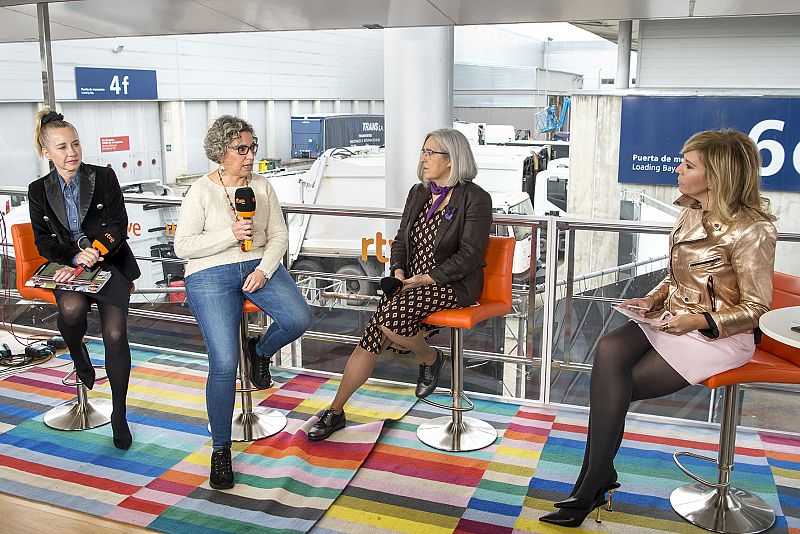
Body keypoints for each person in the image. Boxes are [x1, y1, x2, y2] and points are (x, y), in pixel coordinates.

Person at [539, 128, 778, 528]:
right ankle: (596, 479)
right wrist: (650, 301)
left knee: (619, 387)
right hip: (673, 318)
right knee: (609, 350)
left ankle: (594, 481)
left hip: (718, 335)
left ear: (717, 173)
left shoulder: (752, 229)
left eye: (689, 164)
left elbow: (757, 309)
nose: (678, 169)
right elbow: (675, 276)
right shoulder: (690, 210)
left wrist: (699, 321)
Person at [308, 128, 493, 441]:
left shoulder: (475, 199)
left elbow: (470, 256)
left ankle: (429, 358)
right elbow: (401, 240)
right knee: (373, 334)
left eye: (430, 152)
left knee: (387, 321)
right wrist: (396, 270)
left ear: (452, 160)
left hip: (450, 284)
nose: (423, 158)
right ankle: (336, 411)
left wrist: (422, 279)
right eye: (423, 151)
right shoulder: (419, 193)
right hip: (410, 283)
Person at [174, 115, 312, 490]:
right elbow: (183, 246)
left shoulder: (263, 186)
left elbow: (279, 236)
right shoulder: (201, 191)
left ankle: (260, 351)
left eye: (253, 148)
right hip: (209, 272)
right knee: (223, 362)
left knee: (299, 318)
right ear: (221, 153)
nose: (250, 156)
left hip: (258, 265)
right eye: (241, 149)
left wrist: (266, 270)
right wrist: (228, 234)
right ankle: (221, 451)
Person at [28, 109, 141, 450]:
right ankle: (78, 354)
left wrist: (94, 250)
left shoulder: (103, 177)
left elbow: (118, 226)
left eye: (75, 144)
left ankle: (119, 414)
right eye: (61, 147)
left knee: (116, 333)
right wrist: (75, 257)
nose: (71, 152)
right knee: (73, 311)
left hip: (110, 263)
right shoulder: (38, 190)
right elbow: (43, 241)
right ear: (47, 152)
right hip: (70, 266)